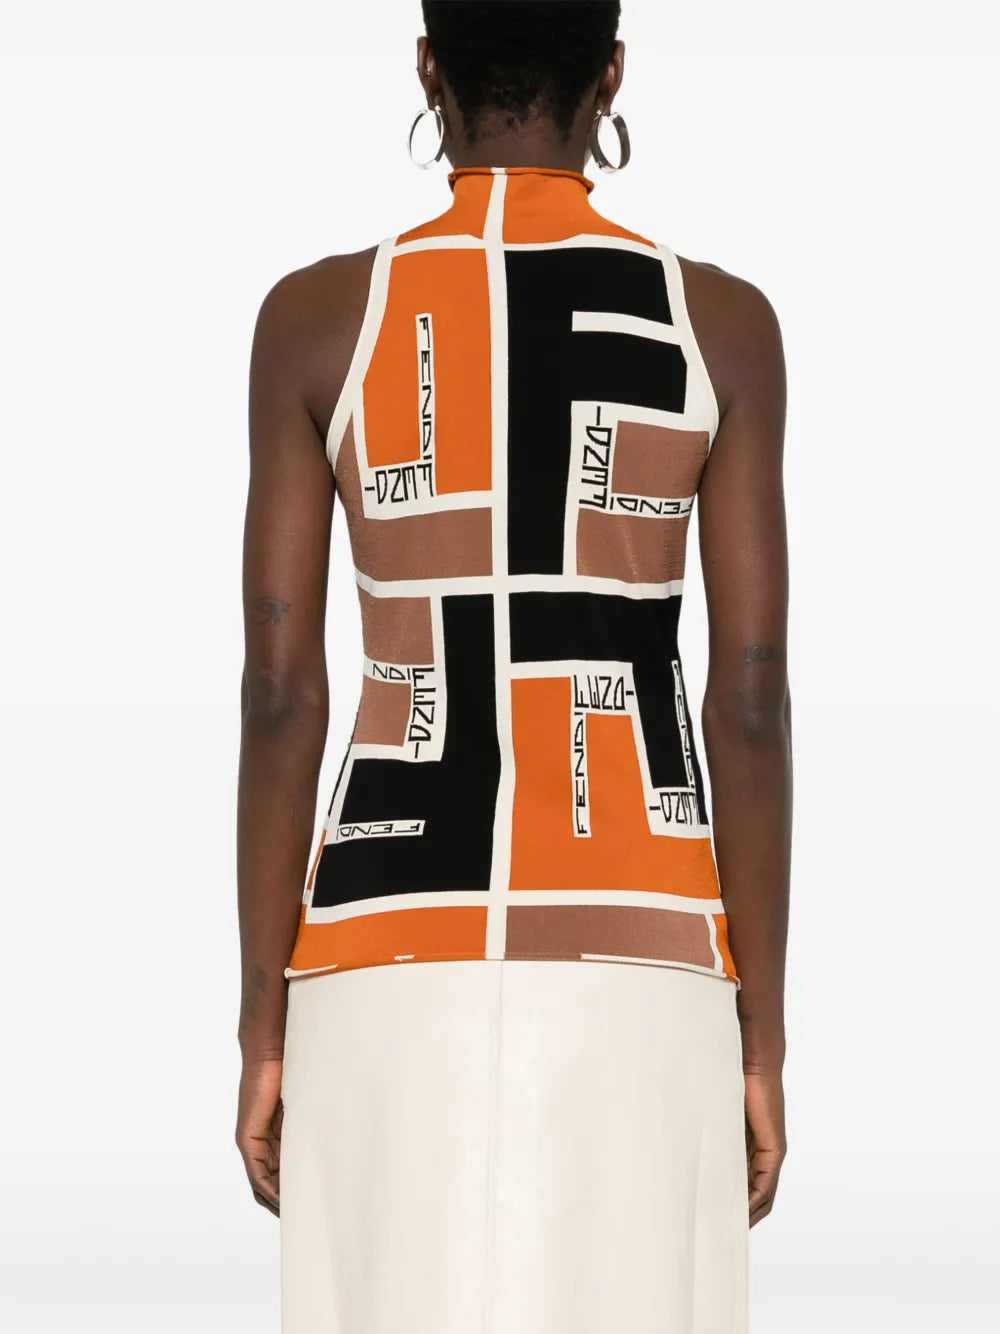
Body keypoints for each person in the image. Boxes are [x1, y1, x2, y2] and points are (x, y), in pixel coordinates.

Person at [235, 2, 791, 1330]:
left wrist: (262, 1026)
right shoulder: (719, 325)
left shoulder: (319, 321)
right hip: (645, 951)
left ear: (429, 66)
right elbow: (750, 694)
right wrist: (761, 1038)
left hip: (379, 950)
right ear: (611, 72)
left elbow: (281, 694)